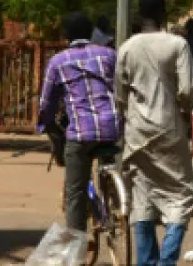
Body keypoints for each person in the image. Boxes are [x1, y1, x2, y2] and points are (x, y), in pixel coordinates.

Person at [116, 0, 193, 266]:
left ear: (141, 15)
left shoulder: (127, 47)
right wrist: (183, 109)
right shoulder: (177, 45)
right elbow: (187, 91)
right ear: (163, 14)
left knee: (143, 196)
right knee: (182, 194)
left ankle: (146, 261)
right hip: (169, 127)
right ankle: (166, 261)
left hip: (137, 130)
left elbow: (120, 94)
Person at [38, 12, 122, 236]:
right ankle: (114, 200)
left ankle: (77, 246)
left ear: (66, 36)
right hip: (113, 127)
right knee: (107, 153)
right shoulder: (109, 55)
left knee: (75, 192)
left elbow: (46, 104)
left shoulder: (58, 61)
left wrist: (46, 126)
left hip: (81, 133)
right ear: (91, 33)